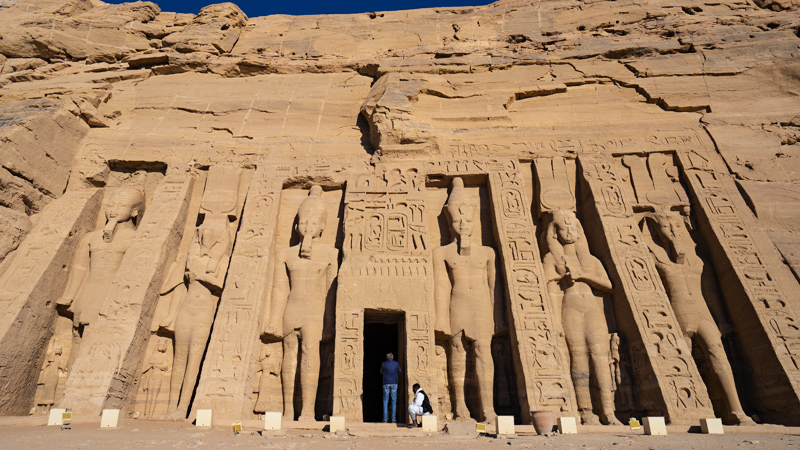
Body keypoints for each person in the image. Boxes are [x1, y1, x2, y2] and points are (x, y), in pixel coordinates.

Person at [380, 352, 401, 423]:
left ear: (386, 358)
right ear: (393, 357)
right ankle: (393, 419)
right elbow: (399, 371)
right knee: (393, 401)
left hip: (386, 383)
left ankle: (385, 418)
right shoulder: (396, 363)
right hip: (394, 383)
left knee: (385, 401)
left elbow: (381, 372)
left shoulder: (384, 364)